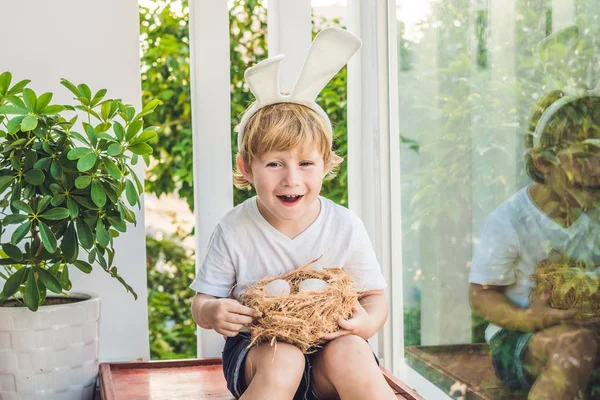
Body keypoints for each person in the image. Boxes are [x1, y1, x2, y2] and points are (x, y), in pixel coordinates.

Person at [190, 28, 396, 400]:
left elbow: (374, 298)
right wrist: (212, 312)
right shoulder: (235, 228)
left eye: (305, 163)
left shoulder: (344, 225)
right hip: (261, 354)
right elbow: (202, 301)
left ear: (326, 164)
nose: (292, 179)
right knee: (284, 358)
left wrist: (365, 323)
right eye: (274, 164)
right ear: (246, 167)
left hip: (329, 351)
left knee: (353, 353)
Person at [469, 89, 600, 399]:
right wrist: (528, 318)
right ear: (543, 162)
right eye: (583, 157)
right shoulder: (511, 219)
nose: (596, 167)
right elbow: (481, 295)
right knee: (575, 346)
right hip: (520, 336)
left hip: (590, 329)